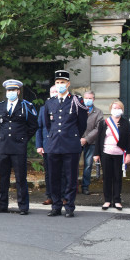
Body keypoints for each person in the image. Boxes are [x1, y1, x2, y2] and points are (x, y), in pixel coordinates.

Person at [43, 70, 88, 218]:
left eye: (62, 82)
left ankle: (69, 206)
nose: (60, 85)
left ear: (68, 84)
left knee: (70, 177)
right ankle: (56, 206)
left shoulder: (76, 101)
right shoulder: (50, 102)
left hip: (70, 144)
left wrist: (73, 136)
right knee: (54, 177)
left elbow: (82, 124)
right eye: (57, 82)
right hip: (54, 144)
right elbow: (48, 125)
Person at [0, 79, 37, 215]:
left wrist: (23, 139)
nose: (10, 93)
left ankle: (23, 206)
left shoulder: (26, 106)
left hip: (18, 147)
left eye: (13, 90)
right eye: (8, 90)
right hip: (4, 146)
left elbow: (33, 126)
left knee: (20, 178)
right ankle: (2, 205)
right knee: (3, 177)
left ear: (18, 91)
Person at [94, 100, 130, 210]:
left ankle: (117, 200)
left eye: (119, 108)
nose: (116, 110)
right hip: (106, 153)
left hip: (119, 154)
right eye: (114, 108)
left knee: (117, 177)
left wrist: (129, 154)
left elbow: (129, 139)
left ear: (122, 110)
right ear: (110, 110)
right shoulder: (104, 123)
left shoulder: (126, 123)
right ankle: (107, 200)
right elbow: (99, 139)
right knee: (107, 177)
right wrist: (96, 153)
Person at [36, 86, 59, 205]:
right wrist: (39, 145)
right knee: (49, 172)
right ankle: (50, 196)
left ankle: (63, 196)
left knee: (62, 172)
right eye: (52, 92)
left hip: (60, 146)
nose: (54, 93)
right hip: (47, 145)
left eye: (56, 91)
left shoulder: (64, 108)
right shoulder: (43, 108)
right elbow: (39, 128)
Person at [80, 91, 103, 195]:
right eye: (86, 98)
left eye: (90, 98)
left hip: (91, 142)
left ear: (93, 99)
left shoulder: (98, 112)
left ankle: (85, 186)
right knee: (73, 164)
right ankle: (73, 187)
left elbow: (98, 128)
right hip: (77, 141)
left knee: (88, 165)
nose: (88, 100)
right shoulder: (78, 109)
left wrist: (86, 139)